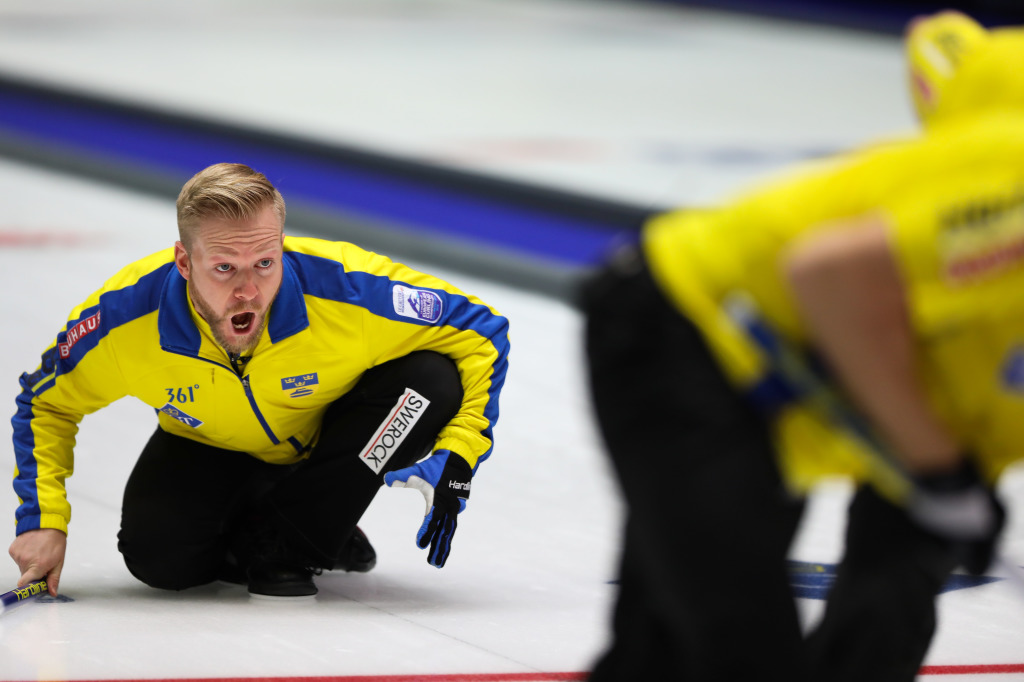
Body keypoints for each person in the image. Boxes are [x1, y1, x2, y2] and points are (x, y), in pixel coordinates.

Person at [582, 10, 1022, 681]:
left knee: (676, 649)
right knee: (731, 650)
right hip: (693, 329)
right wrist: (937, 467)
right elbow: (830, 273)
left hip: (837, 373)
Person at [10, 162, 510, 598]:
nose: (248, 290)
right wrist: (43, 520)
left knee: (430, 381)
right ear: (185, 262)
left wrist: (461, 453)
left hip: (330, 437)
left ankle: (294, 535)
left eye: (265, 263)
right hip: (208, 439)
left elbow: (481, 332)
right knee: (161, 564)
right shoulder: (126, 319)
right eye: (225, 267)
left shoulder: (348, 289)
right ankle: (274, 512)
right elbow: (45, 403)